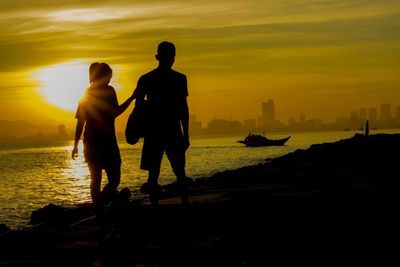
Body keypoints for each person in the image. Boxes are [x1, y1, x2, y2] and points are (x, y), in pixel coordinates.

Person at [133, 41, 191, 205]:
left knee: (154, 174)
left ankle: (155, 207)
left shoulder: (146, 79)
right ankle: (184, 204)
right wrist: (186, 134)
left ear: (157, 57)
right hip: (171, 130)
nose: (171, 59)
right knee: (179, 171)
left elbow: (138, 108)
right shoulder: (179, 79)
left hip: (155, 131)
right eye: (171, 56)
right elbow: (183, 109)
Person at [72, 62, 135, 206]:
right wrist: (132, 98)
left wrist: (75, 145)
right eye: (108, 76)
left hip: (91, 142)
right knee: (113, 180)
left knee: (96, 180)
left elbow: (80, 123)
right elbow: (115, 113)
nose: (110, 79)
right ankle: (100, 207)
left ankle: (99, 209)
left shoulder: (86, 95)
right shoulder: (108, 92)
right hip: (106, 143)